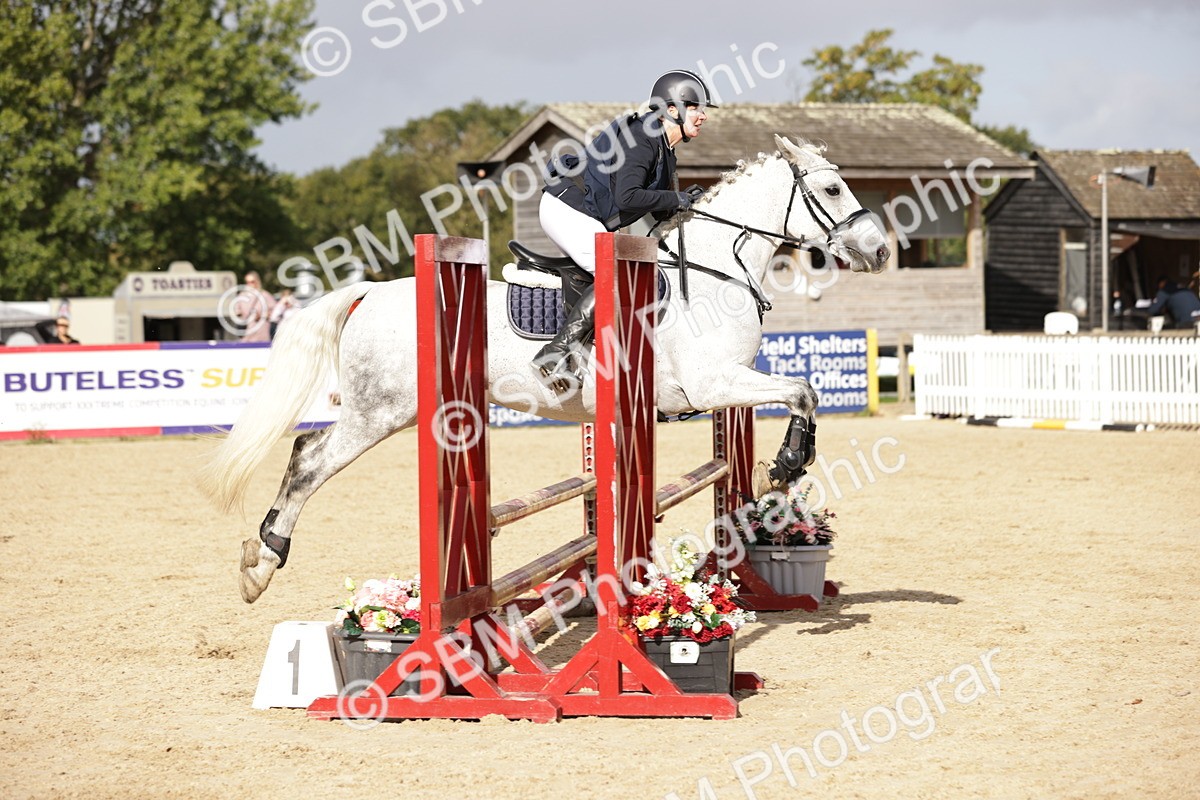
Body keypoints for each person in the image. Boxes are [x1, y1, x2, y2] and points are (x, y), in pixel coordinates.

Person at [533, 69, 718, 392]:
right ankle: (556, 351)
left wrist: (696, 204)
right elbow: (627, 197)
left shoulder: (666, 152)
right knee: (618, 275)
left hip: (582, 213)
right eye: (696, 108)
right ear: (672, 110)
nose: (703, 116)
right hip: (567, 207)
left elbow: (659, 210)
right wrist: (677, 197)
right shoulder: (644, 138)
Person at [233, 271, 276, 343]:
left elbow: (275, 314)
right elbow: (236, 311)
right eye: (247, 282)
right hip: (247, 337)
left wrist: (262, 315)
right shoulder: (242, 296)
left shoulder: (265, 295)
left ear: (257, 282)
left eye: (252, 282)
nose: (249, 284)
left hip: (262, 336)